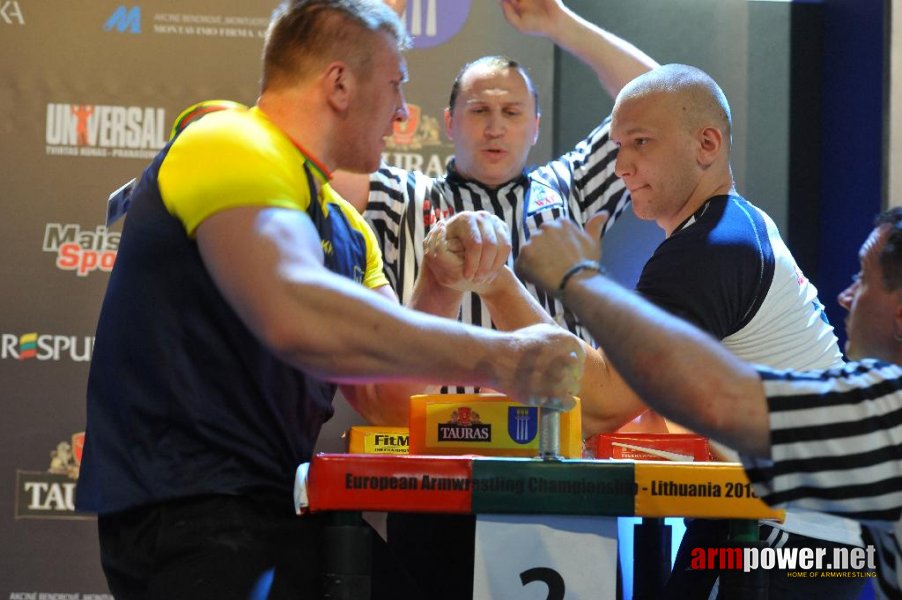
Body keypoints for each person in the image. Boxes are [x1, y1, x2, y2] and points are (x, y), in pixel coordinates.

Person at [74, 2, 585, 598]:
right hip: (187, 512)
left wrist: (440, 285)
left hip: (277, 506)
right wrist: (503, 358)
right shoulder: (228, 140)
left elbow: (387, 400)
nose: (400, 113)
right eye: (395, 86)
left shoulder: (348, 225)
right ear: (340, 84)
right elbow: (295, 311)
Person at [528, 63, 865, 599]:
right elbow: (649, 410)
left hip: (794, 532)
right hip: (788, 525)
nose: (621, 166)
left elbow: (605, 402)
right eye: (617, 147)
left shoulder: (710, 248)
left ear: (707, 143)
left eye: (640, 142)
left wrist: (496, 282)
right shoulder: (729, 228)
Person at [517, 204, 902, 599]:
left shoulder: (882, 407)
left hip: (787, 545)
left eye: (864, 279)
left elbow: (714, 397)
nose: (845, 295)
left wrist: (578, 280)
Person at [332, 0, 659, 434]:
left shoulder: (570, 188)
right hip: (430, 452)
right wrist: (376, 26)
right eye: (480, 110)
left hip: (553, 449)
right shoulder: (399, 193)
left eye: (512, 112)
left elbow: (659, 104)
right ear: (449, 122)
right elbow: (316, 152)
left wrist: (561, 24)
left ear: (536, 126)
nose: (495, 128)